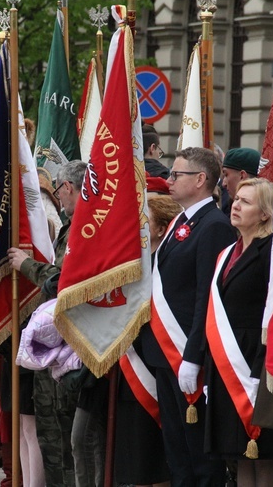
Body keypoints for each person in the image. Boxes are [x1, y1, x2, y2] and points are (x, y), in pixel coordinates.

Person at [140, 146, 237, 486]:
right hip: (165, 353)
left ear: (200, 180)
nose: (169, 179)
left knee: (199, 456)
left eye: (176, 174)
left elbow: (204, 297)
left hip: (187, 354)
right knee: (176, 450)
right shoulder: (183, 221)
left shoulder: (213, 226)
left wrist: (193, 356)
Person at [8, 160, 87, 487]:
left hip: (70, 344)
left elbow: (62, 282)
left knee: (62, 435)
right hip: (57, 342)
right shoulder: (73, 224)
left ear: (67, 188)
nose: (58, 198)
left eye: (58, 191)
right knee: (49, 431)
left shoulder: (84, 227)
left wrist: (27, 265)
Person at [204, 178, 273, 486]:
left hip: (257, 358)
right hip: (226, 359)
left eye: (246, 202)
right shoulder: (228, 252)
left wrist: (260, 367)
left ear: (265, 213)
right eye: (236, 199)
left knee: (264, 454)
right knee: (239, 455)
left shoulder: (272, 252)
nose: (235, 205)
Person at [114, 190, 180, 487]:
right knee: (135, 455)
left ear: (161, 229)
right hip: (130, 365)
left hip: (152, 364)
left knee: (154, 453)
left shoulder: (163, 263)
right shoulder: (134, 262)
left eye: (145, 220)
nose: (137, 224)